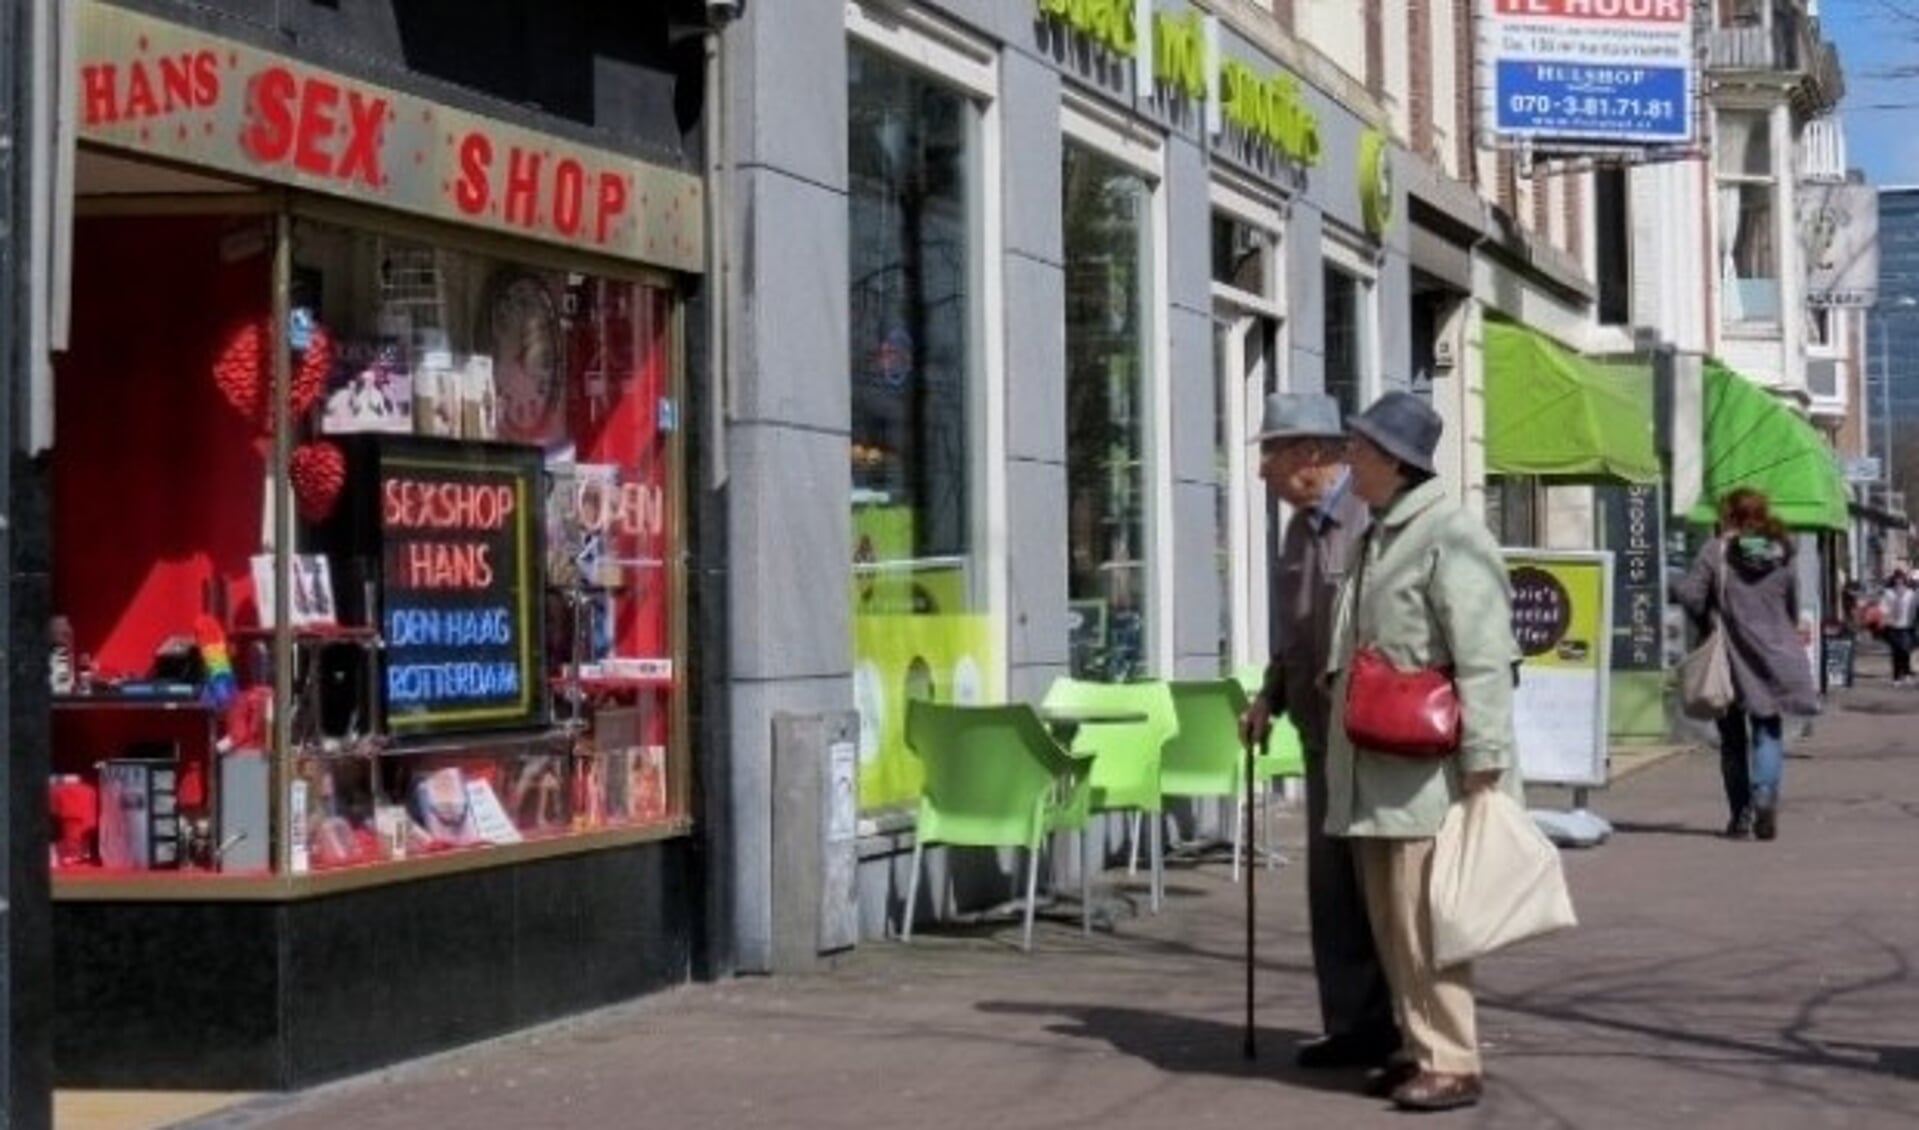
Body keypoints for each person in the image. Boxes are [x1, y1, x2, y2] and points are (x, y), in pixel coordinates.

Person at [1323, 391, 1523, 1112]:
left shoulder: (1446, 533)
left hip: (1425, 773)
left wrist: (1485, 756)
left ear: (1394, 462)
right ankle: (1416, 1046)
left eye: (1359, 449)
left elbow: (1483, 654)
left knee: (1424, 920)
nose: (1348, 460)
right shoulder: (1380, 533)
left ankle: (1452, 1058)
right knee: (1390, 921)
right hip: (1377, 766)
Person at [1236, 393, 1399, 1073]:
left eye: (1268, 454)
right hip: (1314, 731)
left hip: (1369, 735)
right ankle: (1352, 1024)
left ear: (1309, 455)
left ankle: (1406, 1030)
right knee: (1331, 890)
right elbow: (1294, 634)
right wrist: (1268, 696)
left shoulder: (1369, 520)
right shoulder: (1297, 532)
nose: (1260, 471)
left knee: (1383, 890)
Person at [1671, 488, 1818, 841]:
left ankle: (1740, 815)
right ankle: (1765, 795)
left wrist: (1700, 605)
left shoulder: (1715, 551)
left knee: (1733, 739)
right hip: (1774, 654)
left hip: (1730, 656)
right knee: (1767, 730)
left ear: (1729, 515)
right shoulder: (1782, 551)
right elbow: (1791, 604)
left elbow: (1691, 595)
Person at [1880, 570, 1917, 686]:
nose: (1899, 581)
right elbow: (1883, 607)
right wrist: (1885, 617)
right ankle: (1896, 677)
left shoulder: (1910, 593)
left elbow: (1915, 608)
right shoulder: (1888, 593)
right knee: (1896, 652)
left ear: (1904, 580)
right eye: (1897, 578)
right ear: (1894, 580)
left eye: (1901, 578)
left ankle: (1906, 674)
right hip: (1893, 626)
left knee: (1905, 651)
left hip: (1907, 625)